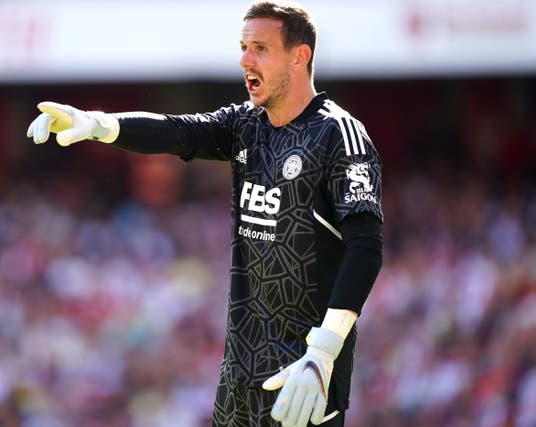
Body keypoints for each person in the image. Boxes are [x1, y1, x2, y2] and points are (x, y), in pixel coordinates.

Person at [27, 1, 383, 426]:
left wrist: (323, 352)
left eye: (260, 48)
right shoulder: (247, 125)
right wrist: (97, 124)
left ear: (299, 55)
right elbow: (180, 131)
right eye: (243, 46)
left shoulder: (339, 134)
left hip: (302, 377)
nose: (244, 59)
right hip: (238, 378)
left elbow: (366, 247)